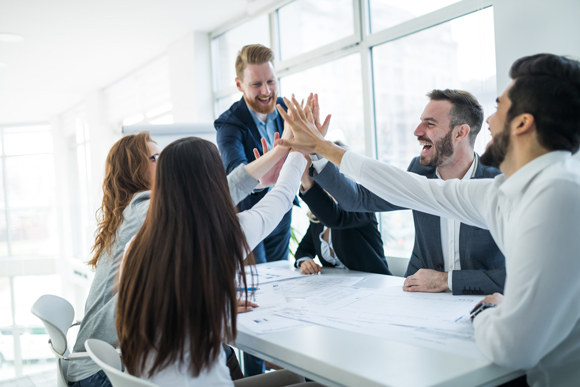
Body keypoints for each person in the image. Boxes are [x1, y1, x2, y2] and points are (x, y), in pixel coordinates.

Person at [278, 53, 580, 386]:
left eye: (499, 106)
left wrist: (487, 311)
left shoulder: (558, 197)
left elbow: (514, 347)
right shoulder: (506, 191)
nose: (490, 121)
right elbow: (416, 190)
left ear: (522, 123)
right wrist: (321, 147)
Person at [67, 131, 291, 387]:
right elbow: (204, 197)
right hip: (100, 372)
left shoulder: (134, 212)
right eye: (155, 157)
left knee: (218, 351)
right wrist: (280, 154)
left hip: (101, 362)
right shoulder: (144, 209)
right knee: (216, 352)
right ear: (133, 171)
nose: (163, 163)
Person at [116, 137, 321, 387]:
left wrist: (210, 304)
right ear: (212, 182)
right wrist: (300, 149)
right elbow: (282, 198)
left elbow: (169, 306)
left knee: (291, 377)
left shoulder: (135, 246)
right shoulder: (221, 237)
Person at [307, 90, 505, 295]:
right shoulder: (419, 172)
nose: (417, 132)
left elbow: (515, 275)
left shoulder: (497, 183)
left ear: (460, 133)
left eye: (430, 124)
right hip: (418, 298)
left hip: (482, 303)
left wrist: (448, 280)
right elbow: (358, 198)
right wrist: (315, 152)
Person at [295, 141, 391, 275]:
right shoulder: (317, 215)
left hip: (373, 284)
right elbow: (303, 249)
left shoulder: (362, 205)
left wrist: (306, 181)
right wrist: (304, 261)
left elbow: (334, 217)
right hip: (340, 288)